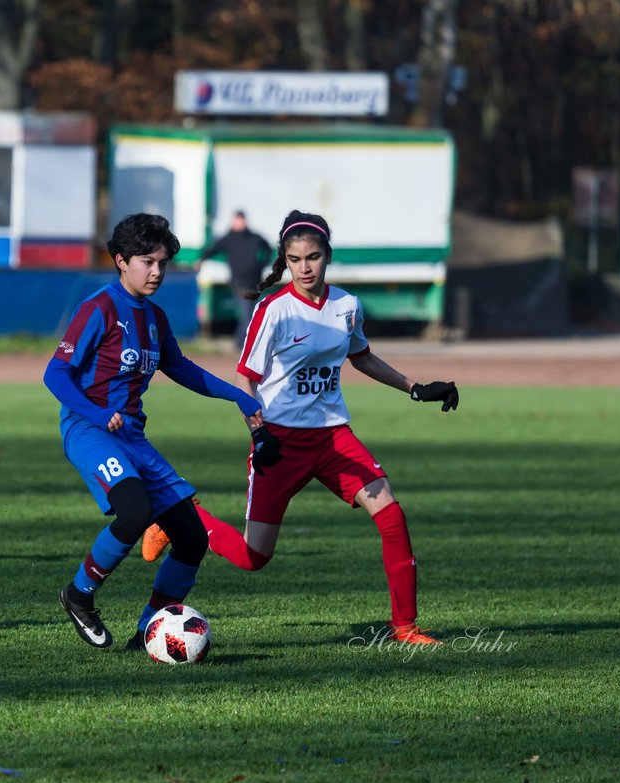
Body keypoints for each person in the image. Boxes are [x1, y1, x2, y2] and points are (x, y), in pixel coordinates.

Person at [142, 210, 459, 645]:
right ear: (285, 261)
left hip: (333, 438)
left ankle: (405, 627)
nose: (304, 267)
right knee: (255, 557)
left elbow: (361, 357)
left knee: (391, 514)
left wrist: (416, 388)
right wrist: (258, 432)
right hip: (279, 441)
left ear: (328, 255)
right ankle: (184, 518)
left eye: (312, 257)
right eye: (294, 259)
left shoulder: (346, 306)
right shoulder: (272, 310)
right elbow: (244, 379)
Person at [45, 212, 282, 651]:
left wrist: (241, 398)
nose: (156, 272)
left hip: (131, 436)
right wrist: (96, 414)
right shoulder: (98, 308)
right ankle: (78, 595)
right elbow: (55, 375)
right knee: (134, 512)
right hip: (88, 428)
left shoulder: (153, 315)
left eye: (162, 264)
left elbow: (181, 368)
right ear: (121, 261)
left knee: (191, 538)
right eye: (147, 262)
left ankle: (148, 631)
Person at [198, 210, 273, 350]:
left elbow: (268, 248)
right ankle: (243, 344)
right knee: (247, 313)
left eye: (242, 219)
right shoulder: (228, 238)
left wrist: (262, 265)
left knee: (250, 313)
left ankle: (239, 341)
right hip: (238, 283)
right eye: (238, 220)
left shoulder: (254, 237)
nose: (240, 222)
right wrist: (201, 260)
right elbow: (212, 250)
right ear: (233, 221)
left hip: (254, 282)